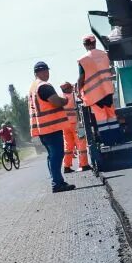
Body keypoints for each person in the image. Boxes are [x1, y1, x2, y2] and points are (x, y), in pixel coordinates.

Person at [28, 61, 75, 193]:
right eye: (45, 71)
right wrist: (65, 99)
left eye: (47, 70)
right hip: (51, 128)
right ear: (38, 72)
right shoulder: (44, 86)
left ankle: (57, 180)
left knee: (52, 156)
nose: (47, 73)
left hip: (43, 129)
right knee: (57, 155)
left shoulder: (33, 87)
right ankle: (57, 183)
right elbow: (56, 102)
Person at [77, 35, 118, 135]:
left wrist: (79, 91)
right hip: (107, 90)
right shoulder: (105, 54)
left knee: (101, 117)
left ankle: (108, 140)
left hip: (94, 94)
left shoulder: (83, 60)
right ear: (95, 43)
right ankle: (117, 137)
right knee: (111, 114)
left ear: (84, 45)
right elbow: (110, 69)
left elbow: (81, 77)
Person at [60, 86, 90, 174]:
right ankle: (84, 165)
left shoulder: (60, 98)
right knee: (81, 143)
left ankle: (67, 166)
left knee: (68, 146)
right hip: (77, 124)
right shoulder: (74, 96)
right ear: (68, 89)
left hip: (65, 125)